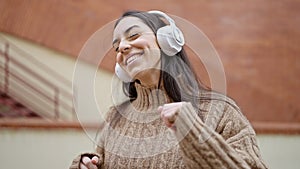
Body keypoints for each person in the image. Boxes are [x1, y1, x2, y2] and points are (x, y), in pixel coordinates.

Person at [70, 10, 267, 169]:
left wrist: (191, 129)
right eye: (116, 46)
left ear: (167, 40)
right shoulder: (116, 118)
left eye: (134, 35)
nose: (122, 47)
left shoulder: (220, 111)